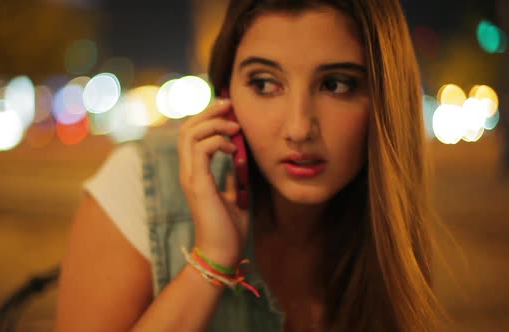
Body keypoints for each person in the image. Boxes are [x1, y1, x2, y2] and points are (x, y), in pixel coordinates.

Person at [55, 0, 447, 331]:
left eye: (336, 84)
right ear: (226, 97)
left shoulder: (388, 229)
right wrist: (210, 261)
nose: (298, 128)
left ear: (384, 99)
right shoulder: (142, 183)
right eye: (264, 83)